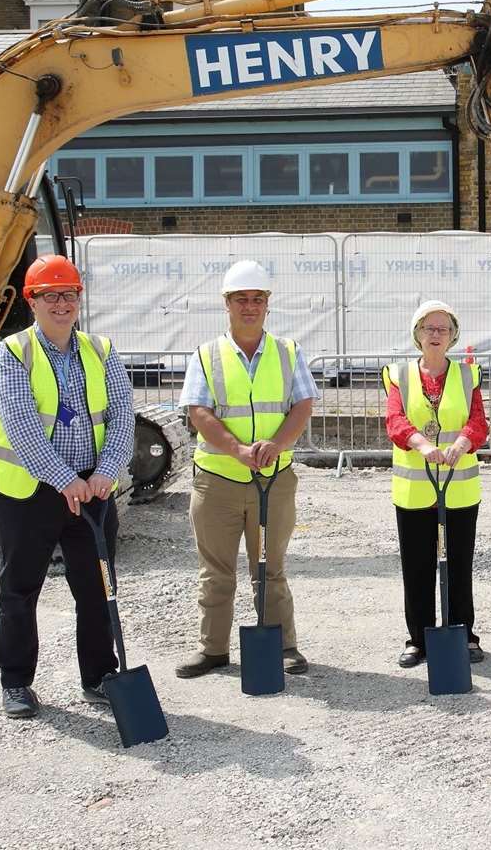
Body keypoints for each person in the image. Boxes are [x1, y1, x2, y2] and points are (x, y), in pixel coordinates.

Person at [0, 254, 136, 719]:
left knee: (97, 589)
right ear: (31, 300)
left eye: (68, 294)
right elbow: (22, 425)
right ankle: (16, 683)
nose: (61, 303)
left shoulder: (101, 351)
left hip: (92, 491)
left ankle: (98, 677)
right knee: (19, 587)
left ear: (79, 299)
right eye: (50, 295)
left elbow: (121, 416)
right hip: (28, 494)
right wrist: (65, 479)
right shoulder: (13, 354)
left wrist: (105, 472)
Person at [175, 260, 316, 679]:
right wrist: (237, 449)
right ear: (227, 304)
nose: (250, 306)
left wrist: (278, 444)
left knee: (271, 568)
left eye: (257, 299)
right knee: (215, 573)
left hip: (273, 481)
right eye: (242, 299)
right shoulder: (207, 355)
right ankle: (213, 649)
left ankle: (283, 646)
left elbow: (302, 404)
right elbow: (197, 411)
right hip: (217, 482)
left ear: (268, 304)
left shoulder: (288, 352)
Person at [384, 300, 489, 668]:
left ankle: (464, 633)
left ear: (452, 336)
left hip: (458, 486)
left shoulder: (467, 374)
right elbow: (395, 420)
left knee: (459, 564)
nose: (435, 335)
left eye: (443, 329)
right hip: (415, 488)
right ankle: (420, 638)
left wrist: (462, 443)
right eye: (429, 328)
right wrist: (422, 444)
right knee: (417, 565)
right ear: (417, 333)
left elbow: (478, 420)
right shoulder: (398, 373)